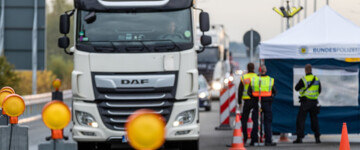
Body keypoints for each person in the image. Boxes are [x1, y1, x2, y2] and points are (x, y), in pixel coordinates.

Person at [248, 65, 277, 146]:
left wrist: (254, 98)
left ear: (258, 70)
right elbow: (275, 92)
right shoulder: (270, 80)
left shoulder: (254, 79)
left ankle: (253, 140)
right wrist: (270, 98)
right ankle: (268, 141)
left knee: (256, 121)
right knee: (267, 122)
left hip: (257, 103)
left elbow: (249, 92)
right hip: (267, 103)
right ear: (266, 70)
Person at [293, 64, 321, 144]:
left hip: (305, 102)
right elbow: (319, 90)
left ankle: (299, 138)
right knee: (314, 120)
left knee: (301, 120)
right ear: (311, 70)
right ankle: (317, 138)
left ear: (305, 70)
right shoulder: (317, 79)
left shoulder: (304, 79)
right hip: (314, 102)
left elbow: (296, 88)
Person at [237, 63, 258, 144]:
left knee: (244, 119)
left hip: (247, 101)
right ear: (254, 68)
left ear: (247, 68)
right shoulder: (257, 77)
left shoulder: (244, 77)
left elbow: (240, 90)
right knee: (255, 119)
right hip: (255, 100)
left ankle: (245, 137)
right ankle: (254, 138)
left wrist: (239, 102)